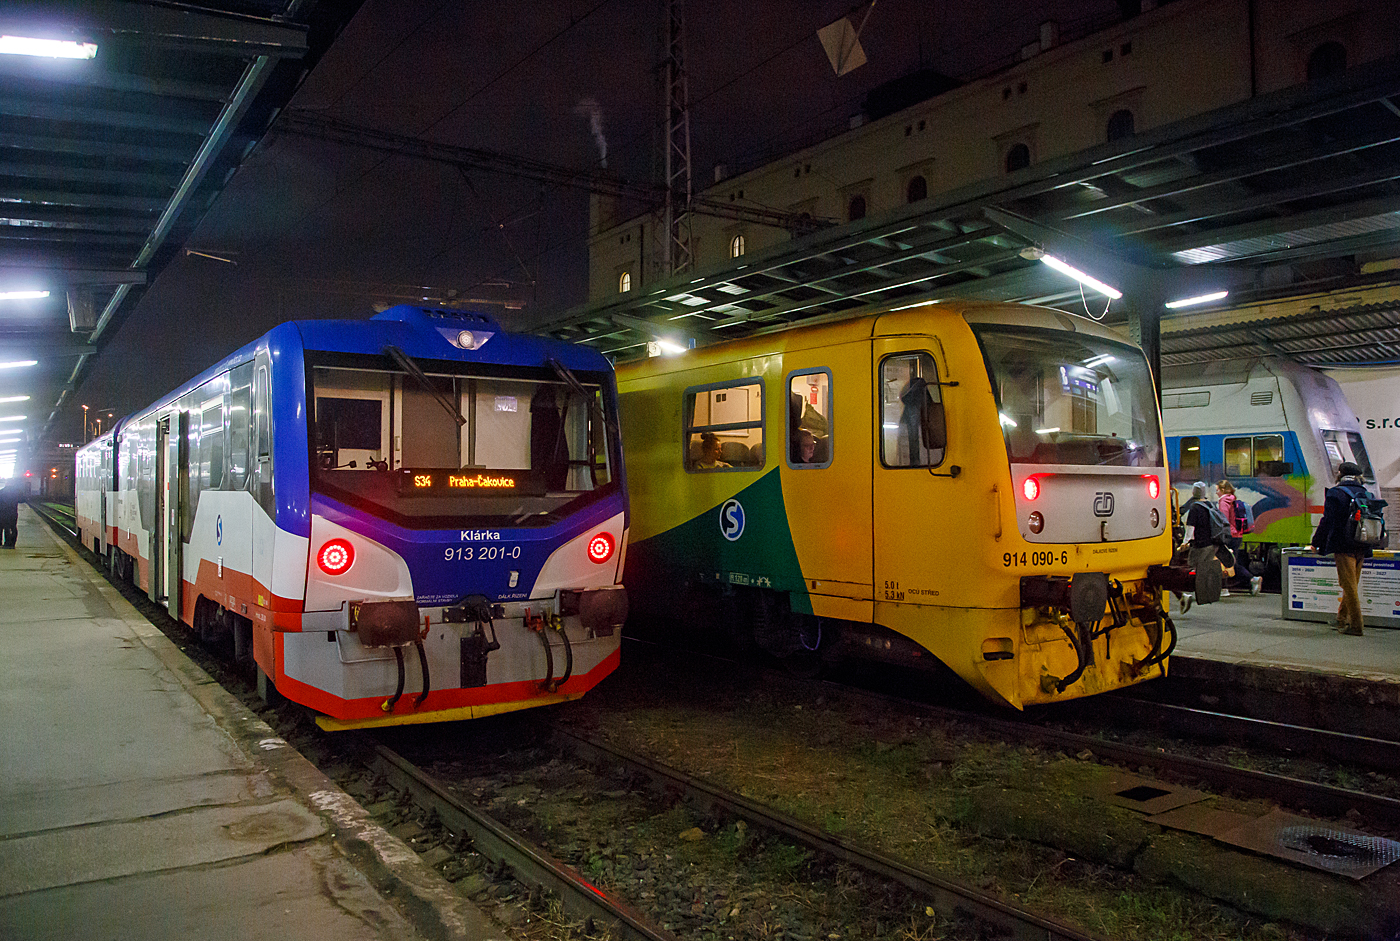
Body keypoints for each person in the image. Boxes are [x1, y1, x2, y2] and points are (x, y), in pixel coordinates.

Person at [1310, 461, 1374, 636]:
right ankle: (1341, 618)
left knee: (1349, 586)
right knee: (1351, 584)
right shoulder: (1366, 493)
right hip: (1362, 543)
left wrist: (1316, 542)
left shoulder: (1336, 493)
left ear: (1340, 474)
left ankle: (1356, 626)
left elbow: (1327, 521)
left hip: (1343, 544)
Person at [1178, 480, 1234, 611]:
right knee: (1206, 569)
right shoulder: (1210, 505)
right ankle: (1205, 595)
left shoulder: (1195, 507)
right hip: (1212, 543)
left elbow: (1191, 528)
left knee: (1192, 566)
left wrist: (1185, 543)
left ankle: (1189, 594)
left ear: (1194, 492)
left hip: (1200, 544)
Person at [1215, 480, 1263, 596]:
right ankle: (1248, 580)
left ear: (1222, 490)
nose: (1216, 492)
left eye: (1217, 490)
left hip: (1229, 535)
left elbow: (1223, 520)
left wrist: (1221, 535)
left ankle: (1249, 579)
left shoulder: (1223, 501)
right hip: (1238, 535)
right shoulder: (1233, 499)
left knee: (1226, 562)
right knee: (1230, 561)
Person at [0, 481, 19, 548]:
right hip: (13, 513)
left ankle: (7, 543)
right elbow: (23, 500)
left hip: (3, 513)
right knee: (13, 527)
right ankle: (13, 543)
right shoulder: (16, 493)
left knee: (6, 528)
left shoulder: (1, 492)